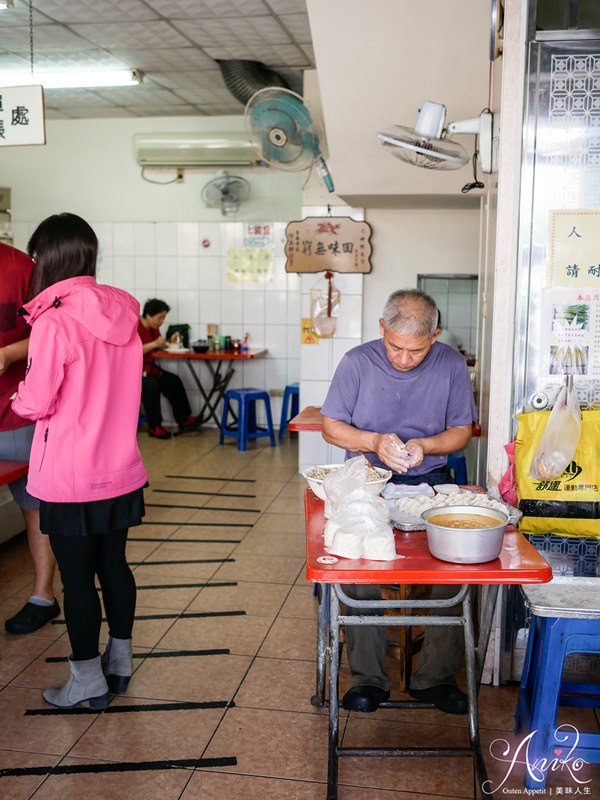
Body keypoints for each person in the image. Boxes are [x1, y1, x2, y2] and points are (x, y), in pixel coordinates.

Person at [12, 213, 148, 709]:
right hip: (121, 468)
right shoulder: (124, 312)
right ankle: (120, 661)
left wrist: (15, 399)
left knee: (76, 580)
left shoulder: (54, 321)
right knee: (115, 566)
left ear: (46, 258)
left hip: (70, 475)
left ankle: (86, 681)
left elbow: (38, 401)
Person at [321, 288, 477, 715]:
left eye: (416, 350)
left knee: (457, 567)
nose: (404, 359)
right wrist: (373, 441)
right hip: (366, 482)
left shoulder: (450, 364)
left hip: (430, 480)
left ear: (435, 336)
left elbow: (461, 430)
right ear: (381, 329)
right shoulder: (357, 363)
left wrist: (425, 445)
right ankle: (369, 679)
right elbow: (331, 427)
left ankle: (435, 678)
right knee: (358, 568)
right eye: (396, 347)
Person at [0, 242, 60, 635]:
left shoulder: (20, 266)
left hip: (15, 408)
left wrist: (8, 353)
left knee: (33, 502)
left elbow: (53, 330)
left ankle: (43, 596)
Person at [138, 298, 197, 439]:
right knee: (151, 386)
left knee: (173, 381)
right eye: (159, 318)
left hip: (150, 369)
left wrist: (170, 341)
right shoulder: (134, 326)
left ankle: (183, 419)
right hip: (135, 372)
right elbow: (131, 351)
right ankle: (155, 426)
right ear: (148, 315)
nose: (161, 322)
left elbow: (158, 345)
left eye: (163, 318)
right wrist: (154, 344)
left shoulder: (153, 328)